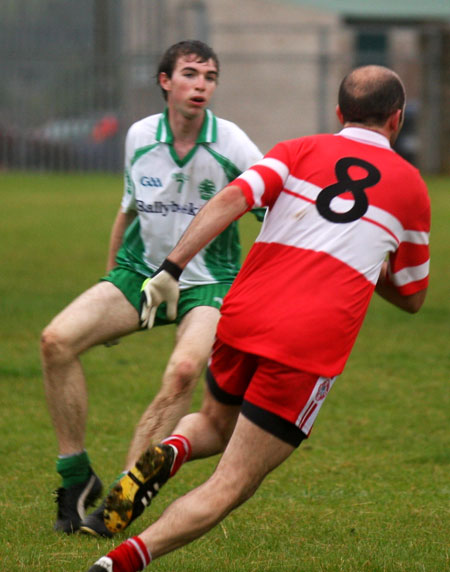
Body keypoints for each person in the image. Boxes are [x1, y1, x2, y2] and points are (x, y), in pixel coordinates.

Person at [85, 64, 430, 571]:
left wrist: (171, 269)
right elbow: (412, 295)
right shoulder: (411, 187)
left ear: (339, 113)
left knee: (214, 422)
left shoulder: (295, 149)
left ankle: (175, 447)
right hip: (306, 344)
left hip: (244, 316)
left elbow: (230, 199)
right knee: (231, 484)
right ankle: (117, 564)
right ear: (397, 120)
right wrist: (367, 259)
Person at [40, 39, 263, 535]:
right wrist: (109, 283)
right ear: (165, 82)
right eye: (190, 74)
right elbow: (128, 210)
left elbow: (275, 213)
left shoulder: (233, 144)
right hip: (139, 274)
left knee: (184, 372)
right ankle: (75, 477)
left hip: (210, 282)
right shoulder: (141, 135)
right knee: (56, 341)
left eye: (209, 77)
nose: (200, 84)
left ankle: (123, 496)